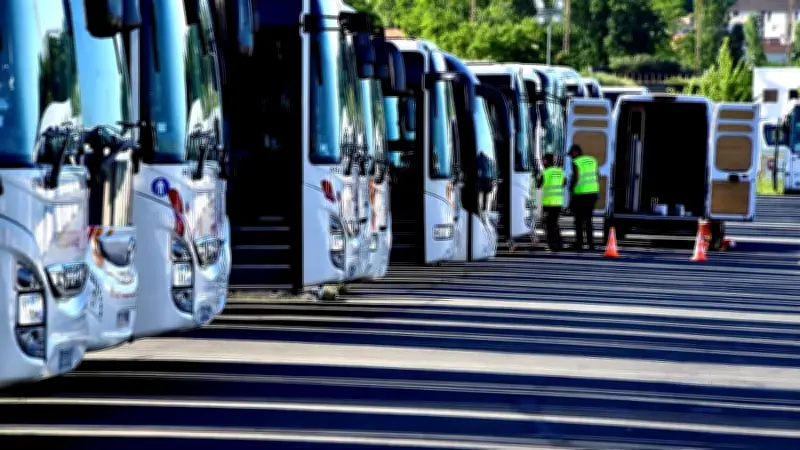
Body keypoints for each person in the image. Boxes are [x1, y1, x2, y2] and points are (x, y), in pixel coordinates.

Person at [569, 144, 600, 251]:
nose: (571, 157)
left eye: (571, 155)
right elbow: (597, 175)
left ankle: (579, 243)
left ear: (575, 152)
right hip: (592, 193)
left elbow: (576, 177)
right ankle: (591, 244)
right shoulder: (592, 160)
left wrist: (571, 188)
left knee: (578, 220)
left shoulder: (576, 162)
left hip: (581, 194)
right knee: (588, 220)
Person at [535, 154, 565, 252]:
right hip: (558, 203)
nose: (543, 163)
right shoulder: (560, 172)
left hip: (548, 203)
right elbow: (565, 183)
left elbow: (538, 185)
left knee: (548, 225)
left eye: (544, 160)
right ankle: (558, 243)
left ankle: (553, 245)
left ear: (547, 161)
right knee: (554, 223)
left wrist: (536, 175)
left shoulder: (545, 172)